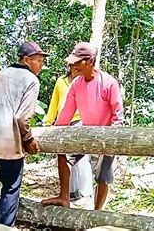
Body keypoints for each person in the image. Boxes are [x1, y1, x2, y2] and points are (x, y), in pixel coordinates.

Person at [0, 42, 49, 226]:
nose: (41, 65)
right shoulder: (31, 80)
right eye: (39, 61)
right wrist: (28, 139)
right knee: (12, 184)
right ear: (27, 60)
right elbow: (22, 118)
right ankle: (4, 225)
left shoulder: (3, 73)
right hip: (3, 133)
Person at [42, 42, 124, 210]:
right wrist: (53, 135)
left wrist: (113, 140)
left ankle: (97, 211)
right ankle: (64, 196)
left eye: (78, 62)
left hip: (107, 135)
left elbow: (118, 116)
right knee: (62, 152)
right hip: (86, 133)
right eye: (73, 62)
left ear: (91, 61)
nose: (74, 66)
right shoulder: (77, 84)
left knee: (103, 176)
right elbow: (66, 114)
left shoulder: (109, 83)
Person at [44, 64, 95, 209]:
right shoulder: (61, 81)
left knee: (81, 158)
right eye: (73, 66)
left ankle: (84, 193)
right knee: (64, 157)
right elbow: (54, 102)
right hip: (63, 123)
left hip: (81, 121)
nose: (75, 68)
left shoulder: (85, 82)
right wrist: (49, 122)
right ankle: (70, 192)